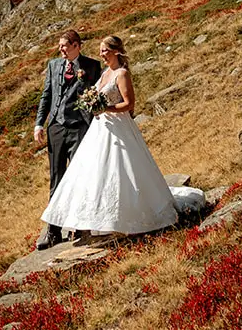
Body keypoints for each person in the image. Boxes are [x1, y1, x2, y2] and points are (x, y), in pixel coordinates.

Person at [40, 34, 178, 240]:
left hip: (117, 126)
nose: (101, 54)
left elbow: (129, 104)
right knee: (94, 172)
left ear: (116, 51)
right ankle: (90, 219)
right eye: (101, 51)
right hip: (99, 128)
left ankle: (131, 214)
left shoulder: (121, 74)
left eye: (105, 50)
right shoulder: (105, 73)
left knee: (122, 168)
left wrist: (107, 108)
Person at [33, 29, 102, 249]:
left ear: (76, 46)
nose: (61, 50)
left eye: (64, 46)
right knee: (57, 178)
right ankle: (53, 231)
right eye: (60, 46)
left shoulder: (91, 66)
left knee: (79, 177)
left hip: (79, 127)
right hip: (56, 127)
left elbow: (97, 95)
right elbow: (47, 95)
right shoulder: (54, 66)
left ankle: (81, 226)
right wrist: (39, 124)